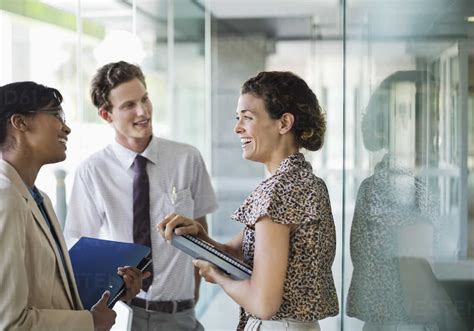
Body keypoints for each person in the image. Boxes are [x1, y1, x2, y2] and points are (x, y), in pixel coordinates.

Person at [159, 71, 339, 330]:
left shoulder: (279, 191)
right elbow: (239, 252)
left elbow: (263, 304)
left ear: (284, 123)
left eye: (248, 117)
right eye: (237, 118)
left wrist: (217, 277)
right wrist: (202, 239)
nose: (237, 127)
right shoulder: (306, 182)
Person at [64, 61, 218, 331]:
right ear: (106, 115)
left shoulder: (187, 158)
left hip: (179, 315)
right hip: (121, 315)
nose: (143, 111)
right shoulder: (92, 172)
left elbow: (201, 232)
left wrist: (193, 293)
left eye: (145, 99)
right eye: (128, 105)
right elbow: (81, 251)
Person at [0, 81, 145, 330]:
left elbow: (49, 289)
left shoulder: (38, 197)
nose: (66, 128)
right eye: (56, 115)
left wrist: (113, 287)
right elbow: (9, 322)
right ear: (20, 123)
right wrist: (90, 322)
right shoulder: (5, 197)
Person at [346, 71, 466, 331]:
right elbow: (418, 293)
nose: (440, 125)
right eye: (434, 114)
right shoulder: (398, 187)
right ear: (403, 120)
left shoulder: (400, 182)